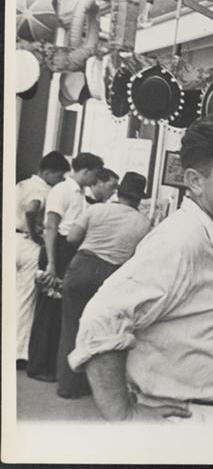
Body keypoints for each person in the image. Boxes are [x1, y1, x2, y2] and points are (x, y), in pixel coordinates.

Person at [69, 113, 213, 424]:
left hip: (206, 414)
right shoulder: (181, 240)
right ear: (195, 181)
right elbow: (102, 318)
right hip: (185, 420)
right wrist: (123, 415)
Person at [56, 172, 151, 399]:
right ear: (139, 199)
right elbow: (141, 257)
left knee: (71, 327)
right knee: (102, 331)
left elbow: (72, 238)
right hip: (112, 276)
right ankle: (93, 386)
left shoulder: (96, 210)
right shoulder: (144, 223)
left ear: (119, 192)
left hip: (82, 267)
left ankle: (67, 386)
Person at [27, 152, 103, 382]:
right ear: (86, 171)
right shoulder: (62, 190)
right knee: (47, 310)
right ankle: (37, 365)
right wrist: (51, 262)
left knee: (58, 311)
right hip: (57, 249)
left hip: (67, 250)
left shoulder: (80, 195)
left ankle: (49, 363)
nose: (96, 179)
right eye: (95, 174)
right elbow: (52, 226)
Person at [15, 151, 71, 370]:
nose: (60, 180)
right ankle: (19, 351)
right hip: (27, 243)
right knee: (25, 298)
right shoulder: (42, 189)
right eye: (58, 175)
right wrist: (35, 234)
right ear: (48, 172)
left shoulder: (21, 184)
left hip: (11, 238)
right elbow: (31, 210)